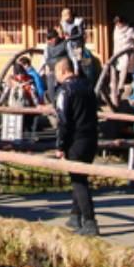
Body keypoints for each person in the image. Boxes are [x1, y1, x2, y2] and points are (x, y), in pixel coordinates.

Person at [49, 56, 100, 235]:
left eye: (56, 72)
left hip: (75, 140)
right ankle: (75, 214)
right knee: (80, 176)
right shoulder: (87, 86)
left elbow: (63, 121)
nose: (55, 76)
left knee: (79, 181)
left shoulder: (65, 90)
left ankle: (90, 221)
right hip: (91, 137)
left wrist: (60, 146)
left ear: (63, 70)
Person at [111, 15, 134, 99]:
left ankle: (120, 87)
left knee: (124, 67)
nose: (118, 25)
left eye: (119, 23)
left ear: (123, 23)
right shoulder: (115, 30)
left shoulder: (130, 31)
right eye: (117, 23)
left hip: (127, 53)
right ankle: (115, 89)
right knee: (115, 69)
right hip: (118, 53)